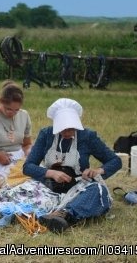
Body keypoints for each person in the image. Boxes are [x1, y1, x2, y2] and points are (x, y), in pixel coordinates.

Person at [23, 98, 121, 233]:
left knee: (98, 191)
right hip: (48, 187)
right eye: (63, 129)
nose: (68, 133)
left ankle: (64, 215)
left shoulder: (87, 136)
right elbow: (27, 166)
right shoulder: (46, 134)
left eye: (71, 129)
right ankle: (56, 214)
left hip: (77, 189)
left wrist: (98, 170)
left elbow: (115, 161)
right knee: (21, 192)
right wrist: (51, 173)